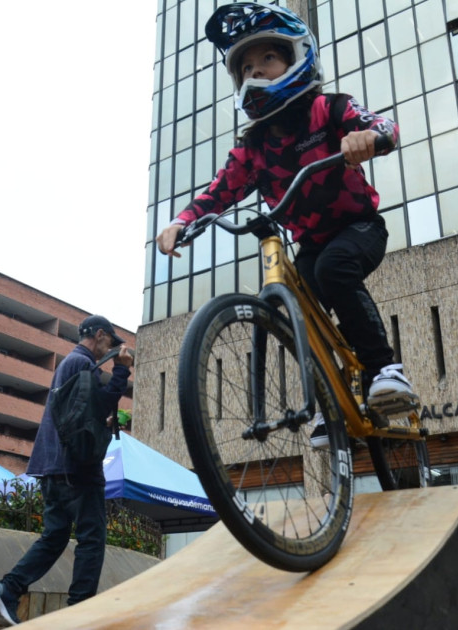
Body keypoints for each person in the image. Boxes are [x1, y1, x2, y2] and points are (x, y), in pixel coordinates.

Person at [155, 2, 415, 445]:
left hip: (360, 228)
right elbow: (220, 190)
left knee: (335, 269)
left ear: (297, 58)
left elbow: (381, 124)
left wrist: (369, 137)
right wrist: (182, 221)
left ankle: (384, 369)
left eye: (268, 58)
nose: (255, 72)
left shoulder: (328, 109)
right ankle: (332, 402)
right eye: (246, 68)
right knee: (300, 307)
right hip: (311, 244)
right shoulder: (251, 148)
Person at [0, 315, 133, 626]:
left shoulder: (68, 364)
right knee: (92, 539)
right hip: (77, 469)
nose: (110, 349)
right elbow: (98, 406)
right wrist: (121, 370)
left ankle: (8, 589)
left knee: (55, 536)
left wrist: (100, 419)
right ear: (100, 335)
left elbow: (78, 414)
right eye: (110, 342)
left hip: (52, 466)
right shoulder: (82, 364)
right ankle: (79, 612)